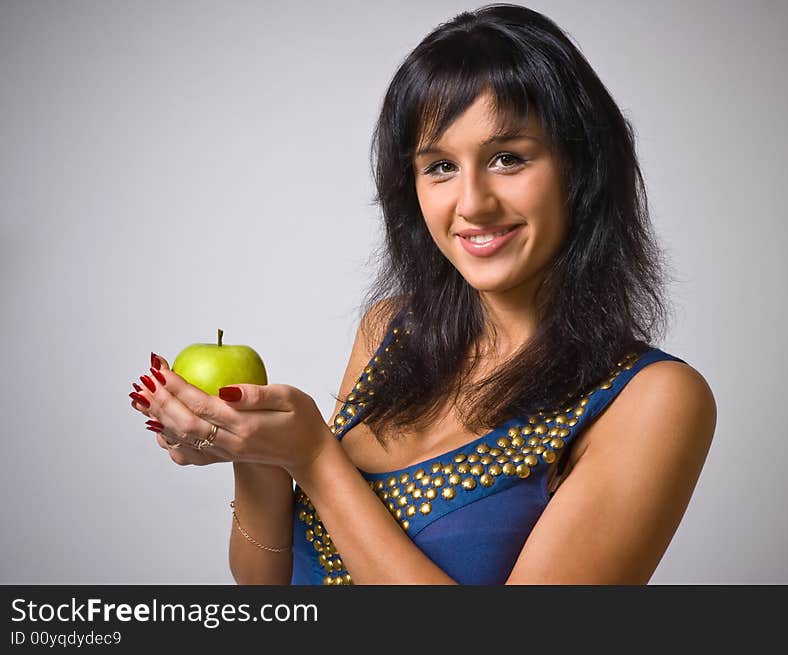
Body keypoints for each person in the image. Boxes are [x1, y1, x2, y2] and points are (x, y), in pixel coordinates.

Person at [129, 3, 716, 585]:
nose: (472, 203)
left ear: (581, 168)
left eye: (508, 159)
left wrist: (315, 459)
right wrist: (259, 453)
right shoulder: (389, 331)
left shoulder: (655, 400)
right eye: (439, 167)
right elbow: (266, 586)